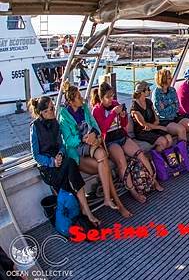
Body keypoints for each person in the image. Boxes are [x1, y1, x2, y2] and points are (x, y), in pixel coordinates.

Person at [57, 82, 131, 216]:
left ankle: (109, 199)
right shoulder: (64, 117)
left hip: (91, 146)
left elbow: (95, 125)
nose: (82, 99)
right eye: (79, 97)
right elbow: (68, 140)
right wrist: (83, 138)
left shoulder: (84, 108)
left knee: (103, 161)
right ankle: (117, 203)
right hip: (78, 154)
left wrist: (94, 134)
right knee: (105, 167)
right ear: (71, 102)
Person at [29, 96, 101, 226]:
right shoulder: (35, 127)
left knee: (69, 167)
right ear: (43, 113)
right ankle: (85, 212)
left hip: (60, 163)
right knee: (70, 165)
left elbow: (61, 145)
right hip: (48, 169)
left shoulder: (55, 123)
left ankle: (82, 212)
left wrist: (61, 154)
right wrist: (52, 161)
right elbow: (36, 155)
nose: (54, 110)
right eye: (51, 108)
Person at [91, 81, 163, 203]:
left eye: (112, 96)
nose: (111, 99)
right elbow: (103, 128)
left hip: (121, 136)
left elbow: (123, 124)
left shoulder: (115, 104)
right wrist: (114, 113)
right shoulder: (97, 110)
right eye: (108, 97)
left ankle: (152, 180)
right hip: (110, 141)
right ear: (101, 97)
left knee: (140, 154)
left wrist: (123, 116)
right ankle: (133, 192)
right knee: (122, 162)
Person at [153, 68, 189, 161]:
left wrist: (167, 106)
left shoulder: (172, 90)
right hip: (164, 120)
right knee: (181, 129)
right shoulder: (157, 92)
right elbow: (160, 112)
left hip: (175, 116)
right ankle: (184, 157)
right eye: (168, 78)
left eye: (170, 77)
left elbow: (176, 106)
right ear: (162, 79)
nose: (170, 79)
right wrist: (171, 106)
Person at [130, 80, 174, 151]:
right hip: (142, 132)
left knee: (169, 138)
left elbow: (155, 117)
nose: (150, 91)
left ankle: (163, 157)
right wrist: (160, 127)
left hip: (153, 127)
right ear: (142, 92)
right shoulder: (135, 107)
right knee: (163, 141)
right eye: (148, 89)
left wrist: (156, 124)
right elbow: (144, 124)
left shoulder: (148, 102)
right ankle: (156, 159)